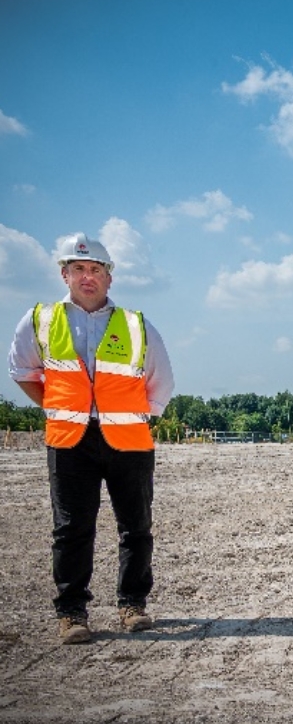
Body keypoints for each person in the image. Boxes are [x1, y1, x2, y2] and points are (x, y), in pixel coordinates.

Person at [7, 233, 175, 644]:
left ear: (109, 278)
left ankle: (132, 605)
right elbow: (23, 371)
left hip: (129, 440)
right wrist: (57, 408)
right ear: (64, 274)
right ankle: (72, 613)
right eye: (79, 269)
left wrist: (136, 419)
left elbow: (161, 383)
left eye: (96, 269)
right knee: (71, 529)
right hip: (69, 439)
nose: (88, 277)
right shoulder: (40, 320)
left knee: (136, 527)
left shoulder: (137, 324)